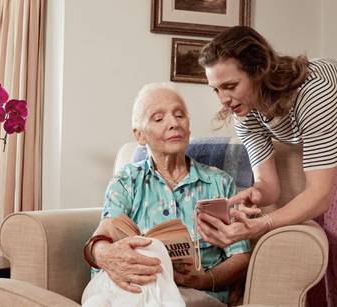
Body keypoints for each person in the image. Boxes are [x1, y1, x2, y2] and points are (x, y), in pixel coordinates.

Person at [196, 25, 337, 306]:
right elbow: (269, 186)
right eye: (216, 89)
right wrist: (253, 194)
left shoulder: (312, 93)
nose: (224, 99)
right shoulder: (245, 114)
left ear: (258, 70)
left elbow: (318, 196)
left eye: (230, 86)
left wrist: (262, 225)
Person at [81, 83, 251, 307]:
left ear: (188, 127)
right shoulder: (127, 181)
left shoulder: (218, 183)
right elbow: (104, 234)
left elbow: (240, 256)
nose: (174, 123)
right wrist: (104, 254)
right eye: (159, 119)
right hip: (136, 284)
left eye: (180, 115)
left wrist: (203, 280)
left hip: (195, 292)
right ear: (140, 135)